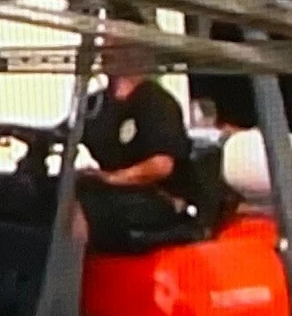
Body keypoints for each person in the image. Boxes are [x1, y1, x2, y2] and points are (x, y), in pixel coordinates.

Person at [74, 45, 204, 252]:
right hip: (114, 192)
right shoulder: (96, 104)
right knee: (53, 194)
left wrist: (111, 178)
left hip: (156, 197)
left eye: (113, 46)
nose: (104, 52)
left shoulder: (157, 103)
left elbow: (161, 166)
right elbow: (70, 134)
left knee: (77, 209)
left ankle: (65, 268)